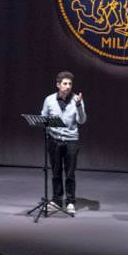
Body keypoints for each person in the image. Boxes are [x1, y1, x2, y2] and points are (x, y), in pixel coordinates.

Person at [41, 71, 86, 214]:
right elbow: (43, 117)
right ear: (58, 85)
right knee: (55, 172)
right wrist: (47, 127)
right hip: (53, 140)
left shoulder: (76, 100)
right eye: (65, 83)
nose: (68, 86)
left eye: (70, 84)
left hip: (71, 140)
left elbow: (82, 120)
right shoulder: (49, 100)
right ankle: (56, 200)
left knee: (70, 173)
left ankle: (70, 202)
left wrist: (79, 106)